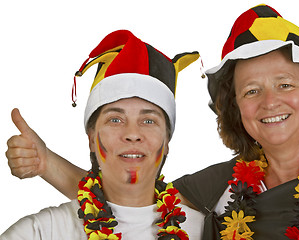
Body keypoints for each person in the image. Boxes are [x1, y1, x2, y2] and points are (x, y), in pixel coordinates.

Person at [5, 4, 299, 240]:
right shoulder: (218, 186)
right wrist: (46, 163)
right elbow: (124, 203)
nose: (270, 102)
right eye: (251, 91)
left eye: (285, 84)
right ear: (235, 107)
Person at [1, 29, 204, 239]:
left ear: (167, 140)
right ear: (91, 138)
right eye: (115, 120)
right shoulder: (44, 231)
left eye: (148, 120)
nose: (133, 134)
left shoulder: (206, 232)